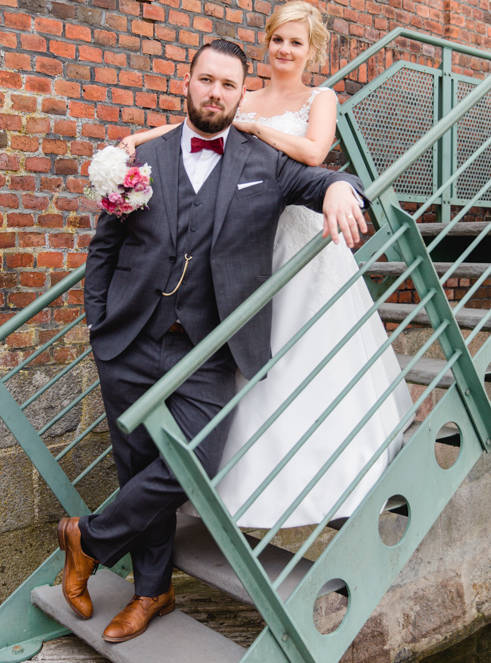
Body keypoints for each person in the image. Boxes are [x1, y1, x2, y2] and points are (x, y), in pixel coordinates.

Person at [58, 37, 367, 644]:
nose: (216, 93)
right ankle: (153, 592)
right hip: (127, 340)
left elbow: (319, 179)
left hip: (210, 347)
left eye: (229, 85)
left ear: (239, 93)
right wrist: (99, 322)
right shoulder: (142, 159)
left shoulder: (263, 161)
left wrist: (336, 188)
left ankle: (86, 539)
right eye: (207, 80)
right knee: (136, 467)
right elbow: (106, 246)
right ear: (189, 81)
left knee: (189, 466)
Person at [121, 2, 413, 529]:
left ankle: (333, 479)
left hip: (301, 236)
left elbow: (313, 152)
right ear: (268, 42)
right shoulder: (244, 94)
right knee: (249, 351)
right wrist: (144, 140)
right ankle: (246, 488)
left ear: (312, 50)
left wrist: (255, 128)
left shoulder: (320, 97)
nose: (284, 50)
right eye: (278, 39)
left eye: (296, 43)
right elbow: (201, 125)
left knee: (308, 352)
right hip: (249, 238)